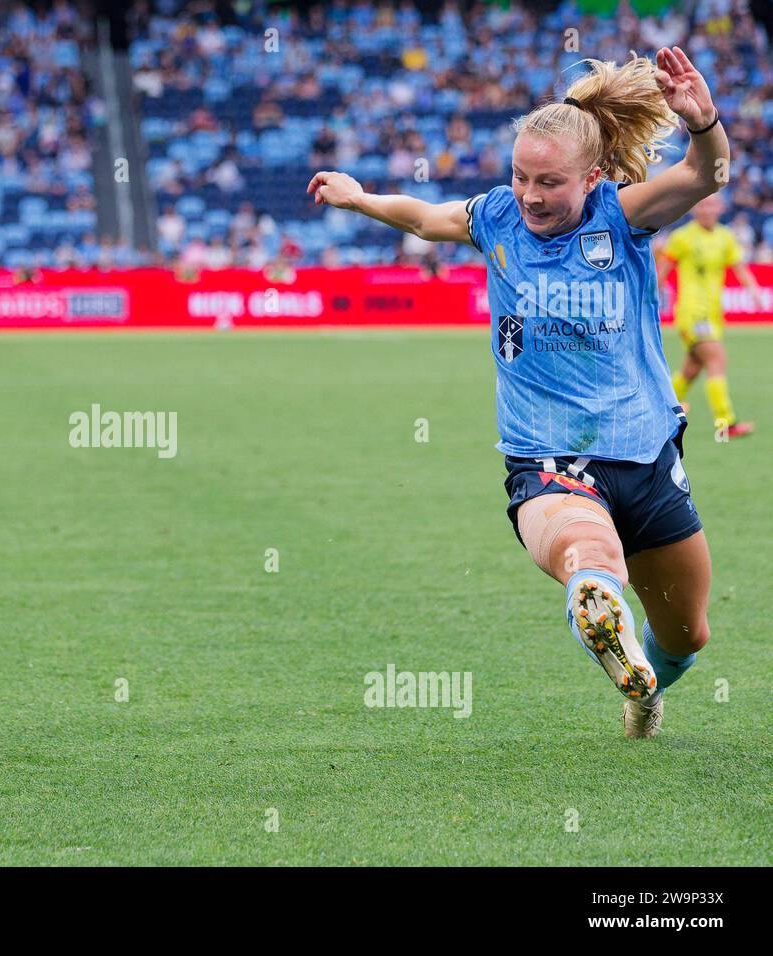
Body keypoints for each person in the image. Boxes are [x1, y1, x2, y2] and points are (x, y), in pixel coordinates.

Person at [309, 48, 726, 739]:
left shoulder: (622, 218)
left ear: (592, 177)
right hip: (546, 460)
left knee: (687, 636)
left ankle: (644, 690)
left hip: (646, 454)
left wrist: (704, 122)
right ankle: (593, 594)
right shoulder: (497, 218)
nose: (531, 194)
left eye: (551, 182)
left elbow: (706, 174)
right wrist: (360, 198)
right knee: (588, 552)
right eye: (520, 176)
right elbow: (423, 218)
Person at [655, 192, 759, 436]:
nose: (707, 209)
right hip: (692, 313)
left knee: (691, 370)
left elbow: (739, 268)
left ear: (721, 208)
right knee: (716, 359)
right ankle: (726, 424)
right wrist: (649, 298)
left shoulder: (726, 237)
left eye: (711, 205)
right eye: (702, 204)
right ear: (693, 208)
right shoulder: (682, 237)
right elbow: (663, 272)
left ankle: (659, 409)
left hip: (713, 315)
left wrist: (754, 290)